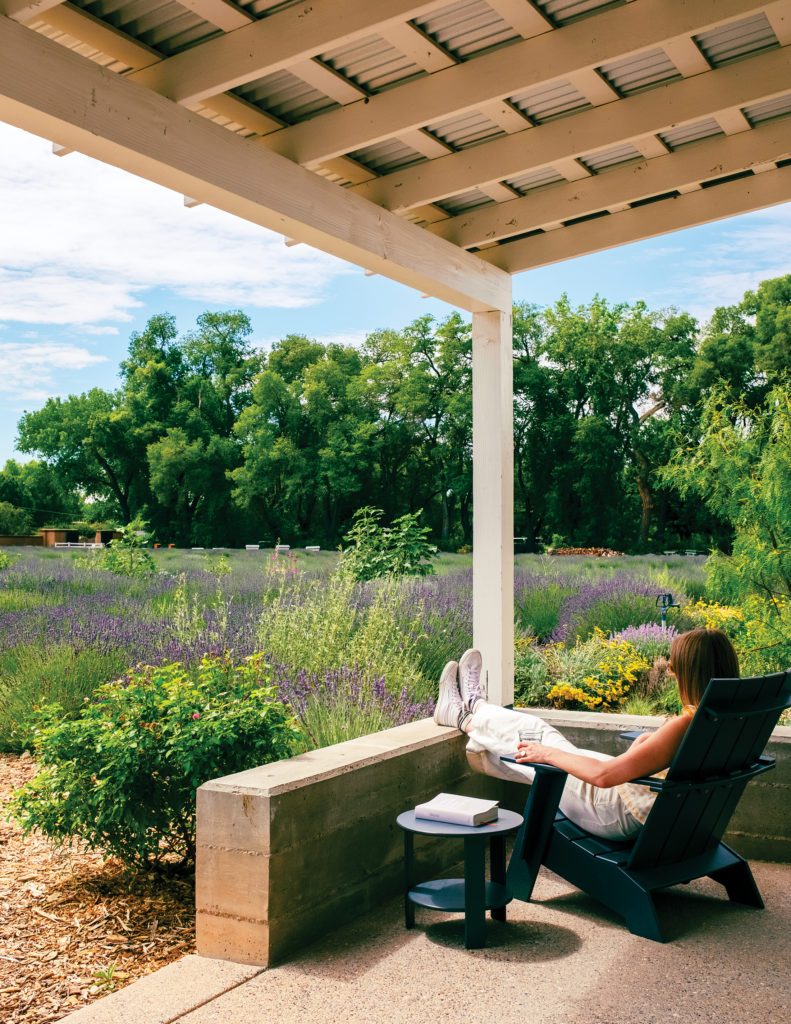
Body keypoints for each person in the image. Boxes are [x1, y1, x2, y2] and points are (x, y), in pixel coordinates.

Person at [433, 628, 740, 841]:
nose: (670, 674)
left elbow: (605, 776)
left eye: (673, 668)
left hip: (616, 809)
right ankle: (472, 712)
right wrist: (650, 743)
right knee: (538, 741)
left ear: (690, 672)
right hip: (653, 809)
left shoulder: (685, 724)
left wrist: (547, 755)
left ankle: (466, 714)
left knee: (538, 741)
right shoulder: (727, 719)